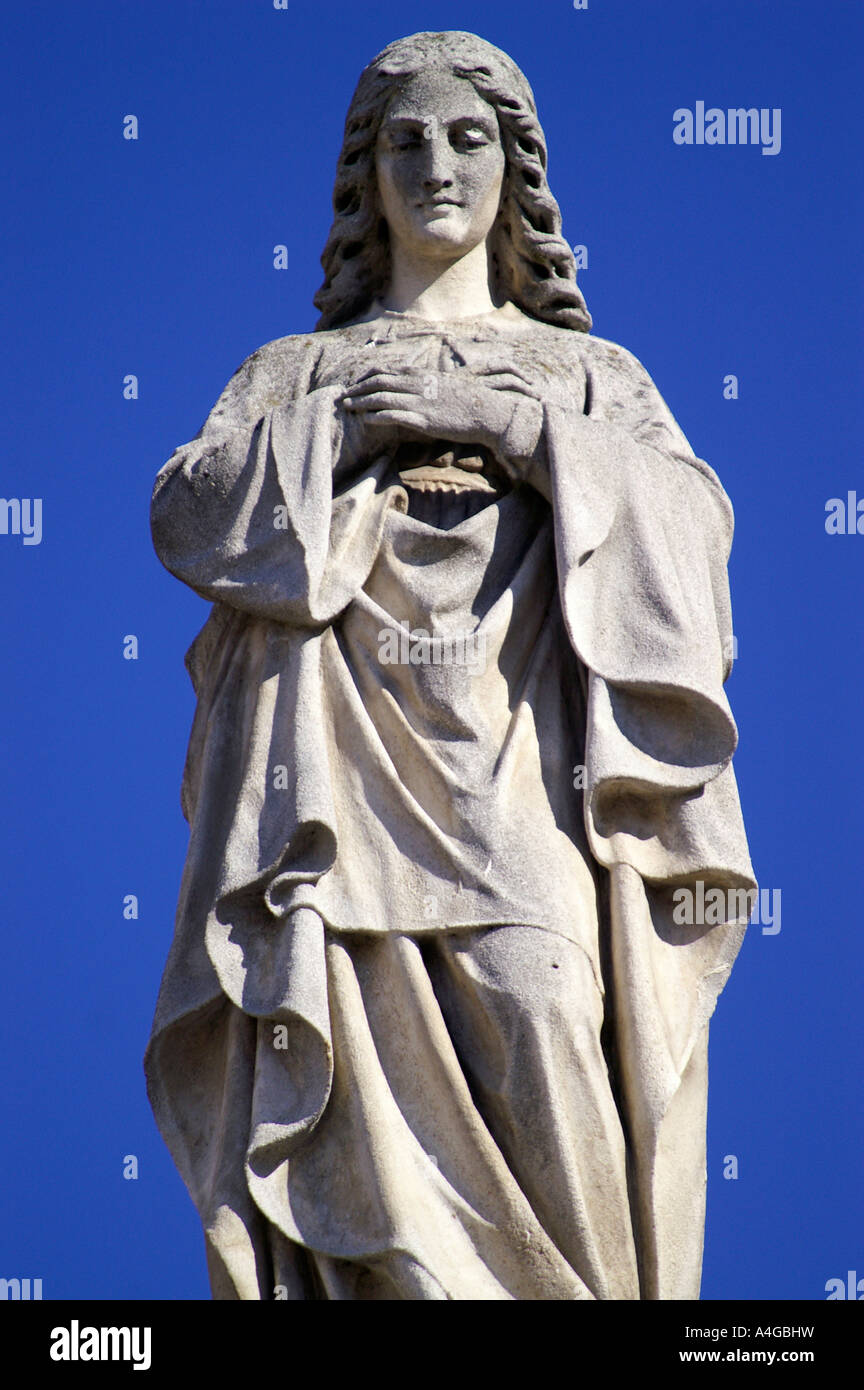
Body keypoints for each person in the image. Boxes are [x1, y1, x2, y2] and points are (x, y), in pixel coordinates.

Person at [145, 30, 755, 1300]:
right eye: (406, 140)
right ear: (364, 177)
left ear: (514, 168)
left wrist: (523, 430)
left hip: (518, 766)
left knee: (541, 1002)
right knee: (345, 1061)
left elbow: (694, 535)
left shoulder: (591, 375)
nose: (437, 163)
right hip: (332, 784)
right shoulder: (291, 373)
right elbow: (189, 517)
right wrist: (338, 431)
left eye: (468, 137)